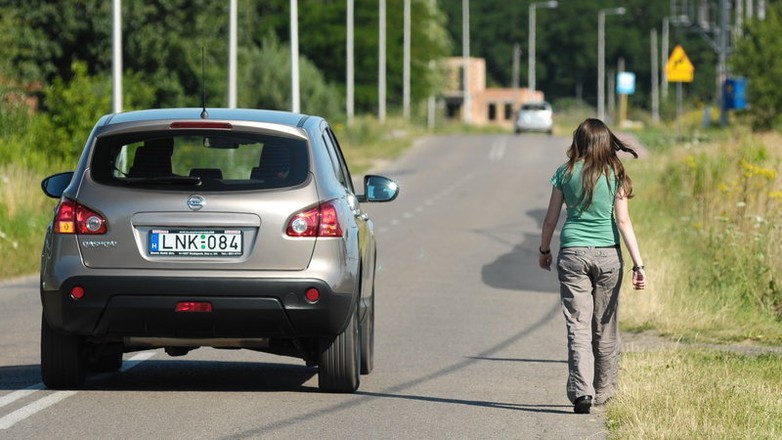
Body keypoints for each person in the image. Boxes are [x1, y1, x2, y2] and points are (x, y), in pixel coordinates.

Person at [538, 118, 646, 414]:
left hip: (572, 253)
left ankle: (581, 392)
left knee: (578, 324)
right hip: (608, 255)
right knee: (605, 325)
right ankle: (604, 390)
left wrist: (544, 249)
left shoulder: (565, 172)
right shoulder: (616, 173)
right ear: (605, 141)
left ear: (580, 141)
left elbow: (550, 220)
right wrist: (639, 264)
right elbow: (623, 221)